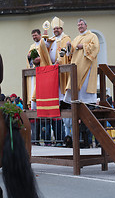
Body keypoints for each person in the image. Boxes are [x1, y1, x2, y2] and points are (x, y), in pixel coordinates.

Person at [64, 18, 100, 148]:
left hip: (87, 65)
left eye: (81, 24)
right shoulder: (75, 38)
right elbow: (70, 52)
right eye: (78, 25)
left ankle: (88, 102)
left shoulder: (92, 36)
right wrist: (69, 46)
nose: (79, 26)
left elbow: (95, 48)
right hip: (76, 65)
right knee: (75, 83)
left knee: (85, 85)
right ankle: (75, 101)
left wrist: (82, 46)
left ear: (86, 25)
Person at [39, 16, 71, 145]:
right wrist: (45, 36)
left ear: (61, 29)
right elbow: (45, 47)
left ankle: (64, 101)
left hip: (62, 67)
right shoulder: (52, 39)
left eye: (57, 28)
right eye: (54, 28)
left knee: (61, 88)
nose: (56, 30)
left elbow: (66, 50)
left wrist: (59, 59)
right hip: (52, 69)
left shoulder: (66, 38)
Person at [27, 29, 41, 145]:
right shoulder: (32, 46)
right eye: (33, 36)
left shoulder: (43, 44)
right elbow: (29, 61)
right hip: (34, 72)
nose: (34, 37)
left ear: (39, 35)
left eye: (35, 35)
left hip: (41, 71)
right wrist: (29, 58)